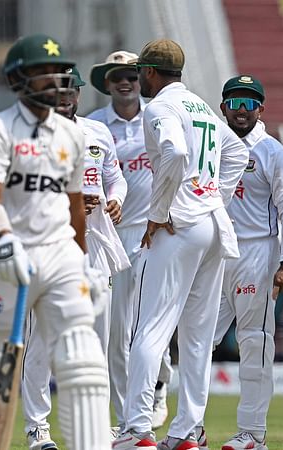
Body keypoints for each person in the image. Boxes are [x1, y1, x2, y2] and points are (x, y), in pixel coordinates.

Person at [0, 34, 111, 450]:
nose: (56, 81)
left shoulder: (72, 136)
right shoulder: (0, 129)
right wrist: (2, 238)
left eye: (57, 73)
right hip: (7, 255)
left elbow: (75, 207)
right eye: (43, 73)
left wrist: (84, 262)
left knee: (83, 359)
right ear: (20, 78)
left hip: (59, 254)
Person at [112, 39, 249, 450]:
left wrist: (159, 211)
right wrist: (213, 196)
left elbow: (172, 153)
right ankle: (187, 431)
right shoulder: (201, 106)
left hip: (178, 225)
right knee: (196, 336)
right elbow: (238, 152)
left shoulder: (159, 108)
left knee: (149, 328)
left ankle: (137, 430)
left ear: (151, 73)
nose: (137, 81)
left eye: (140, 73)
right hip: (211, 225)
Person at [20, 66, 129, 450]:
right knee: (43, 342)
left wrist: (115, 200)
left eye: (72, 91)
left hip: (97, 243)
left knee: (97, 343)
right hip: (51, 242)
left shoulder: (98, 132)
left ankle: (93, 425)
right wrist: (68, 203)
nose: (66, 98)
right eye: (59, 90)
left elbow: (115, 177)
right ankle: (37, 427)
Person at [196, 75, 283, 450]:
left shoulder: (273, 152)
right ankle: (192, 427)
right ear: (223, 107)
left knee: (254, 341)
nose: (241, 111)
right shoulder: (210, 148)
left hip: (257, 253)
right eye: (234, 103)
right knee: (198, 339)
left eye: (249, 104)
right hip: (214, 252)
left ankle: (253, 433)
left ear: (261, 108)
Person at [86, 50, 173, 432]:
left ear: (142, 80)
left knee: (154, 320)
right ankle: (125, 420)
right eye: (117, 75)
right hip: (113, 235)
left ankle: (159, 383)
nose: (125, 81)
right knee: (118, 331)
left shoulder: (159, 116)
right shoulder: (93, 125)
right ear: (106, 82)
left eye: (132, 75)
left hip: (154, 231)